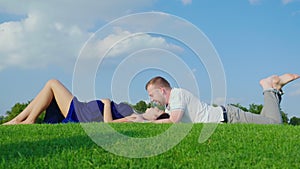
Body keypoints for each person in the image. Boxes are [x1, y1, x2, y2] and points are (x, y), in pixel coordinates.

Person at [144, 73, 300, 124]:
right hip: (227, 117)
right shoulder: (170, 105)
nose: (151, 99)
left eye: (151, 95)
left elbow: (174, 120)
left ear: (162, 90)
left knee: (274, 124)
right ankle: (276, 89)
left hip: (230, 117)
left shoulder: (177, 94)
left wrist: (149, 122)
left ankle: (268, 87)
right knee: (266, 119)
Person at [3, 79, 136, 125]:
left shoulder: (136, 117)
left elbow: (109, 123)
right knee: (49, 90)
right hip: (84, 109)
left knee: (52, 83)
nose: (152, 105)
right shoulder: (136, 113)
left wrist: (106, 104)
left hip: (81, 114)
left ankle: (27, 120)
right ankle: (19, 119)